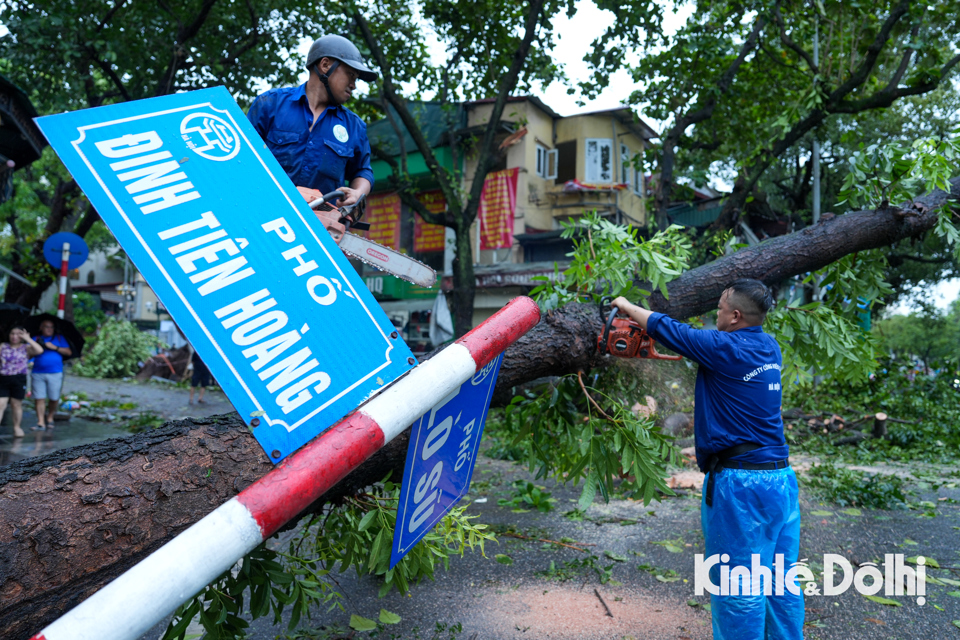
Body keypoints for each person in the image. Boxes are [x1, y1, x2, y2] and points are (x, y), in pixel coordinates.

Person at [612, 279, 802, 640]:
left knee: (739, 588)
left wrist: (625, 304)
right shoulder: (769, 347)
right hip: (782, 481)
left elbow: (668, 328)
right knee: (780, 581)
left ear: (734, 316)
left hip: (742, 485)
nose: (714, 315)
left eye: (718, 309)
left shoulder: (724, 347)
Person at [247, 34, 377, 209]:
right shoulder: (270, 105)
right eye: (350, 75)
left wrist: (357, 192)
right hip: (262, 213)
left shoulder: (354, 127)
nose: (354, 85)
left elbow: (363, 170)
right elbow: (242, 159)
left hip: (319, 226)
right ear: (325, 65)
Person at [0, 326, 43, 437]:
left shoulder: (26, 347)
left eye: (17, 334)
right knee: (1, 404)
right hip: (3, 378)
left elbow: (39, 350)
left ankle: (17, 427)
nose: (14, 336)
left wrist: (27, 338)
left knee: (16, 404)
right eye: (12, 333)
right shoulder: (3, 346)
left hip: (19, 379)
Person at [31, 318, 72, 431]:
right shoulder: (35, 338)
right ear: (41, 328)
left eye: (51, 327)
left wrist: (54, 347)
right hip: (38, 372)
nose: (49, 329)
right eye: (46, 326)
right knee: (39, 398)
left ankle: (50, 416)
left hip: (55, 372)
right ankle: (40, 422)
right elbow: (28, 353)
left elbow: (68, 352)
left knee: (54, 397)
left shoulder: (59, 338)